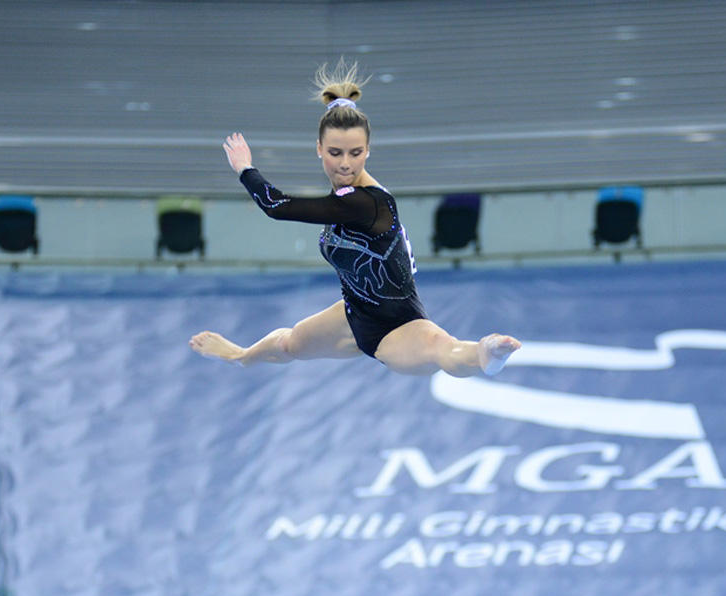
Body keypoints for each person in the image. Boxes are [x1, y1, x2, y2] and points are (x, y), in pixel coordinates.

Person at [189, 59, 520, 377]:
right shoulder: (344, 196)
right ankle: (242, 357)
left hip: (398, 325)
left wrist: (246, 170)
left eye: (356, 153)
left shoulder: (366, 204)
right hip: (352, 313)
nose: (345, 163)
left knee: (441, 348)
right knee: (289, 344)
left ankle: (486, 353)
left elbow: (277, 206)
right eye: (335, 153)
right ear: (319, 148)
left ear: (368, 150)